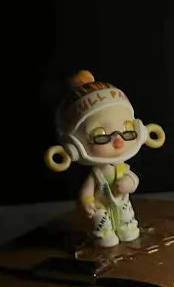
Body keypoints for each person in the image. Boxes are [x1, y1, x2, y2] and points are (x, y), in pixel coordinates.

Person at [45, 70, 165, 247]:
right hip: (100, 205)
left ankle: (127, 230)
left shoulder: (122, 168)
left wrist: (129, 183)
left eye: (127, 129)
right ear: (75, 146)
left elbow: (133, 179)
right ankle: (104, 237)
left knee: (127, 220)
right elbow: (87, 191)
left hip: (122, 201)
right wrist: (87, 201)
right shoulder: (96, 173)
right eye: (100, 134)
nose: (118, 140)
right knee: (102, 223)